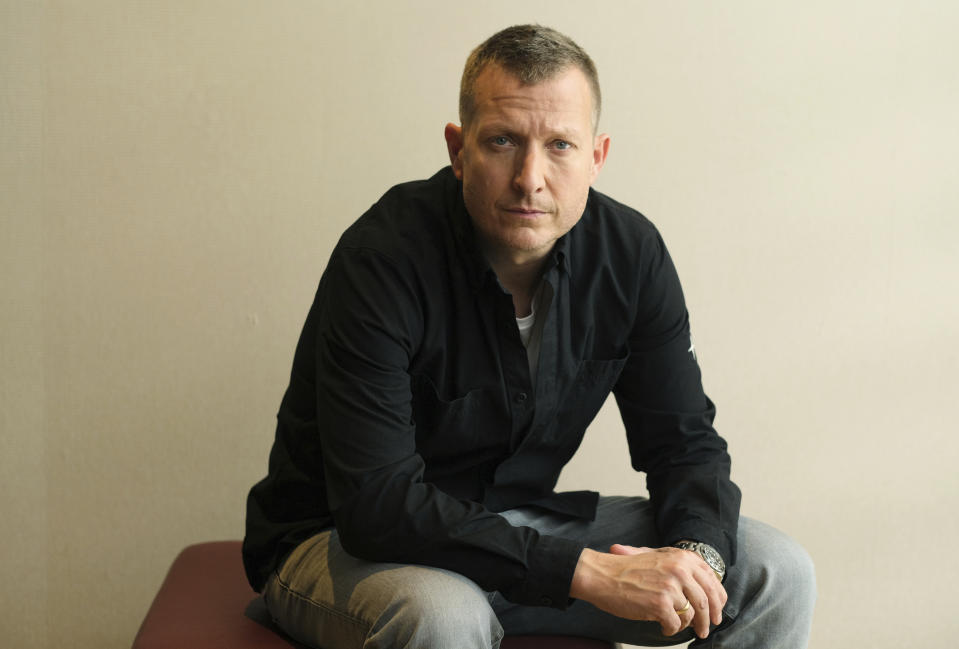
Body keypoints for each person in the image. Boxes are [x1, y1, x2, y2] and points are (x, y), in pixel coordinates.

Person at [243, 24, 815, 649]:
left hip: (517, 528)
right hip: (347, 546)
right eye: (502, 141)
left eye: (560, 145)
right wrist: (585, 571)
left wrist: (697, 560)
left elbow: (684, 446)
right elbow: (376, 505)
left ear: (596, 158)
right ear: (458, 150)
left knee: (774, 571)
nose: (529, 178)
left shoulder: (632, 255)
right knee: (444, 615)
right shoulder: (382, 259)